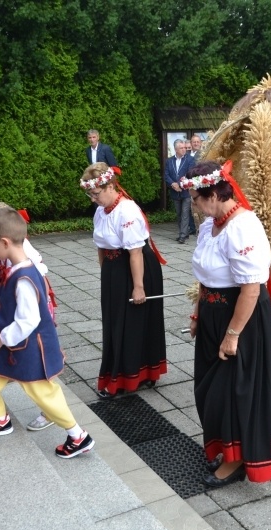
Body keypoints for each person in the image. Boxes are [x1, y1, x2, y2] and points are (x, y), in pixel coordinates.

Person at [183, 160, 271, 487]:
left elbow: (251, 289)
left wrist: (233, 334)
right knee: (208, 387)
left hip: (241, 320)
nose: (193, 205)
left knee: (233, 391)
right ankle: (223, 445)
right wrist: (199, 312)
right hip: (214, 314)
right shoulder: (208, 226)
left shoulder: (244, 227)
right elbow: (205, 277)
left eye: (195, 198)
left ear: (212, 194)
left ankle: (238, 458)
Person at [0, 208, 95, 457]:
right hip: (10, 343)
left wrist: (0, 338)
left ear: (4, 242)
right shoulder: (16, 270)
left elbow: (28, 321)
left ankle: (77, 436)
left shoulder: (24, 277)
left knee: (42, 392)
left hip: (25, 346)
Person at [0, 203, 57, 431]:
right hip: (11, 307)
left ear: (3, 239)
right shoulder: (4, 253)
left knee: (36, 361)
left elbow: (31, 289)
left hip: (27, 310)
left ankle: (52, 411)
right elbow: (2, 280)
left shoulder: (22, 259)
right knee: (7, 356)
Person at [81, 163, 167, 399]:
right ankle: (125, 372)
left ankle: (133, 376)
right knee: (114, 321)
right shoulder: (101, 211)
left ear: (110, 186)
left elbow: (136, 252)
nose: (93, 199)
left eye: (96, 194)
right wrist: (106, 275)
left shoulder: (127, 211)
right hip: (114, 270)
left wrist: (139, 287)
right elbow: (101, 246)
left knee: (133, 322)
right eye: (90, 194)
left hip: (136, 269)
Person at [164, 139, 196, 243]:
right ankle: (184, 233)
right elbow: (166, 174)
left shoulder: (190, 159)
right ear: (176, 149)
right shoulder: (169, 161)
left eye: (184, 148)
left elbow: (189, 173)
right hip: (174, 191)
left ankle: (182, 235)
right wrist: (173, 184)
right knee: (179, 214)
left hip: (185, 191)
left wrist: (178, 183)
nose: (184, 150)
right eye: (181, 148)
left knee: (185, 213)